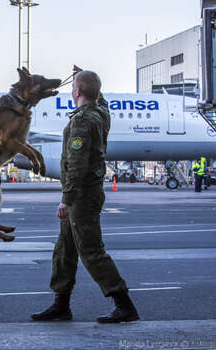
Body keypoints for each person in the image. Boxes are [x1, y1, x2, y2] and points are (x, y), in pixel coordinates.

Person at [30, 70, 139, 323]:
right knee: (64, 250)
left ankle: (124, 303)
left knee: (90, 250)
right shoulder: (101, 114)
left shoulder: (82, 121)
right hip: (86, 193)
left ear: (77, 91)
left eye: (74, 87)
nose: (71, 91)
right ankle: (61, 304)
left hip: (81, 196)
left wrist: (66, 199)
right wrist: (85, 76)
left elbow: (77, 165)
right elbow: (100, 99)